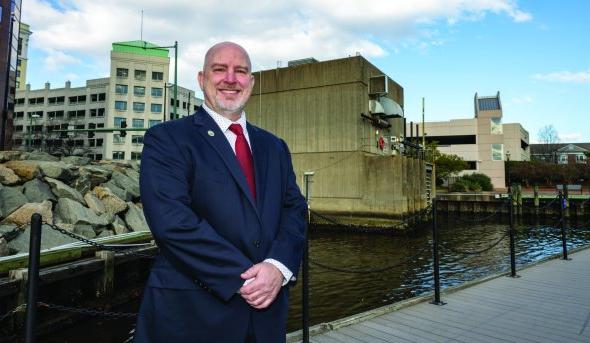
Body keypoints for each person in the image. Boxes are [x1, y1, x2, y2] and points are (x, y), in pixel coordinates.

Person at [134, 42, 307, 343]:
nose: (230, 78)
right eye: (219, 69)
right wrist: (248, 277)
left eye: (240, 71)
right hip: (192, 318)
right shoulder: (167, 139)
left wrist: (278, 267)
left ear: (251, 82)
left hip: (265, 320)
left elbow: (294, 210)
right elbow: (172, 222)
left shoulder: (275, 147)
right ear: (202, 80)